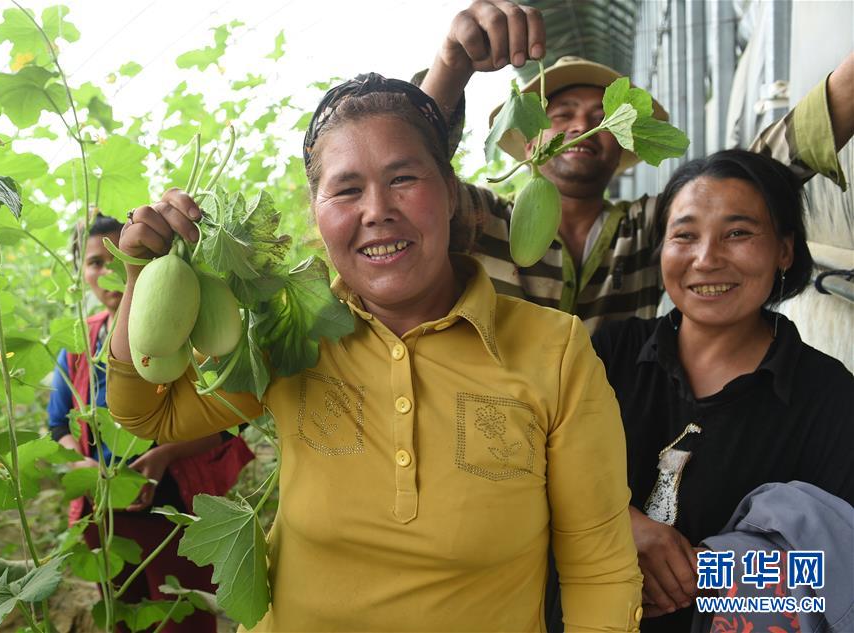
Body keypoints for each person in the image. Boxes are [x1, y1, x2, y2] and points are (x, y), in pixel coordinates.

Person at [106, 74, 645, 632]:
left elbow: (599, 567)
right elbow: (149, 412)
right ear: (316, 212)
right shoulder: (288, 331)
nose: (377, 210)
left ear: (451, 191)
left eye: (404, 178)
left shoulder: (554, 350)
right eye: (345, 190)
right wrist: (142, 274)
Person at [418, 0, 854, 333]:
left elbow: (753, 173)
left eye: (603, 118)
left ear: (624, 140)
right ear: (530, 136)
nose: (582, 128)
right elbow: (413, 174)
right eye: (563, 113)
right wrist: (450, 65)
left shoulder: (648, 228)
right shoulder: (481, 219)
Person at [589, 150, 854, 632]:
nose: (707, 259)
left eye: (738, 233)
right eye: (684, 235)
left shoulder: (830, 398)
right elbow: (529, 477)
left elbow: (834, 569)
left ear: (785, 250)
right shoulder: (609, 354)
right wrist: (620, 525)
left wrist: (705, 570)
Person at [48, 213, 255, 633]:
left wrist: (164, 455)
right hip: (104, 509)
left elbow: (234, 419)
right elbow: (58, 428)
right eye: (94, 261)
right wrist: (82, 466)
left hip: (176, 504)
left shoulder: (184, 323)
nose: (106, 271)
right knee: (124, 610)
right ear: (81, 272)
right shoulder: (77, 343)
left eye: (115, 257)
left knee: (186, 612)